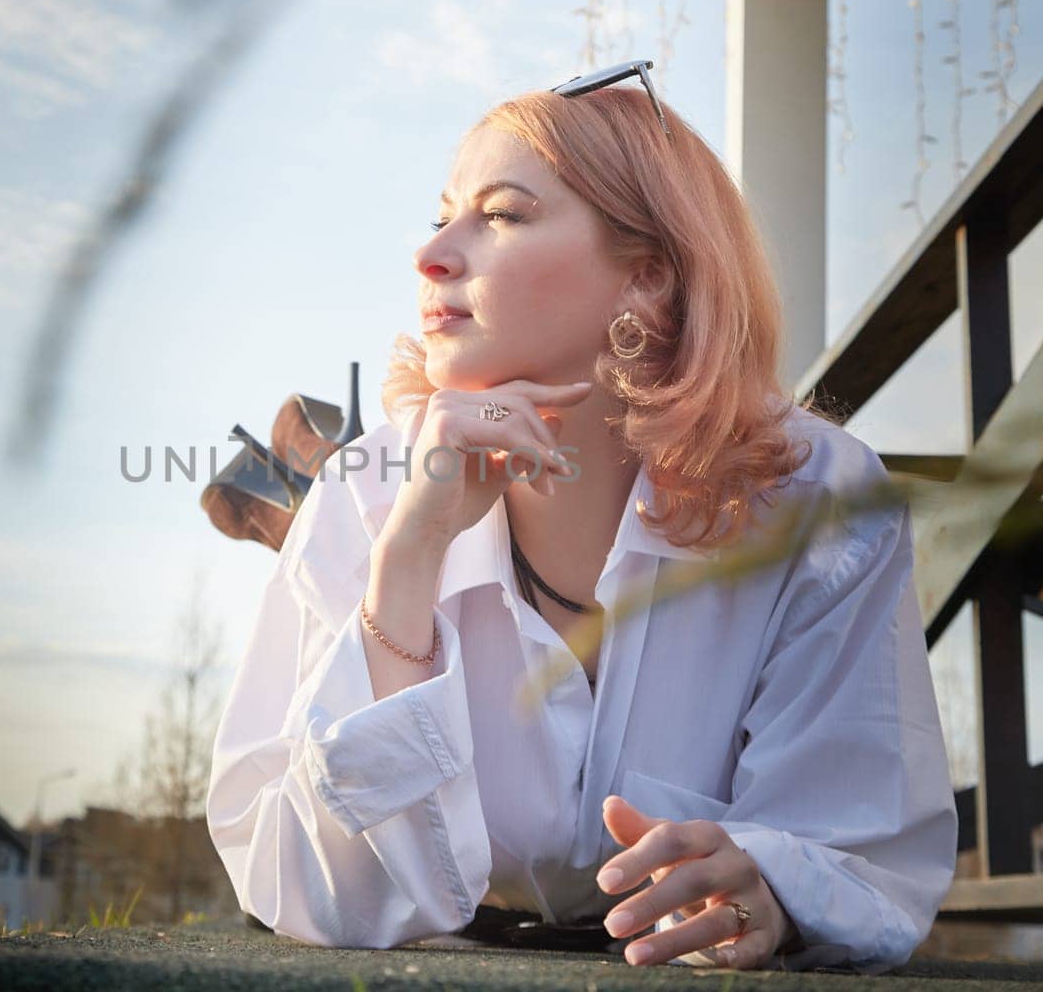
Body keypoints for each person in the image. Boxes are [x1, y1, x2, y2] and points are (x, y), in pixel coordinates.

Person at [204, 64, 958, 974]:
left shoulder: (817, 501)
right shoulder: (367, 493)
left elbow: (864, 853)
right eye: (442, 213)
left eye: (503, 214)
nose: (432, 252)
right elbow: (291, 880)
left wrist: (774, 887)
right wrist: (408, 563)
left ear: (646, 278)